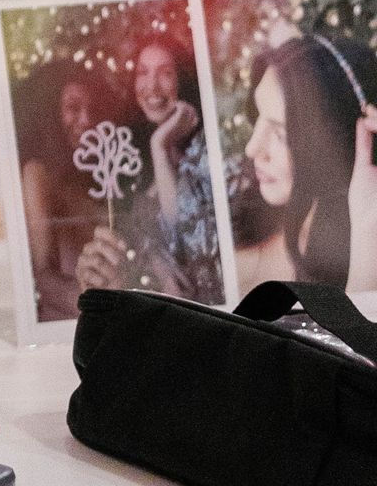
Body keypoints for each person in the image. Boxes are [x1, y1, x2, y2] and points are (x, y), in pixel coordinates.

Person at [76, 33, 221, 303]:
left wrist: (160, 144)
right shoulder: (128, 159)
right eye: (143, 73)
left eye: (165, 73)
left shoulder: (205, 155)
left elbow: (181, 241)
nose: (152, 86)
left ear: (183, 80)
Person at [231, 29, 377, 292]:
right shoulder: (235, 204)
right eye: (258, 115)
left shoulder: (358, 256)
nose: (252, 149)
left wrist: (368, 226)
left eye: (280, 134)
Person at [20, 63, 116, 320]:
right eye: (73, 108)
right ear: (53, 113)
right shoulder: (38, 174)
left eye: (92, 110)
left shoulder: (93, 181)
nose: (86, 120)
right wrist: (103, 309)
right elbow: (42, 276)